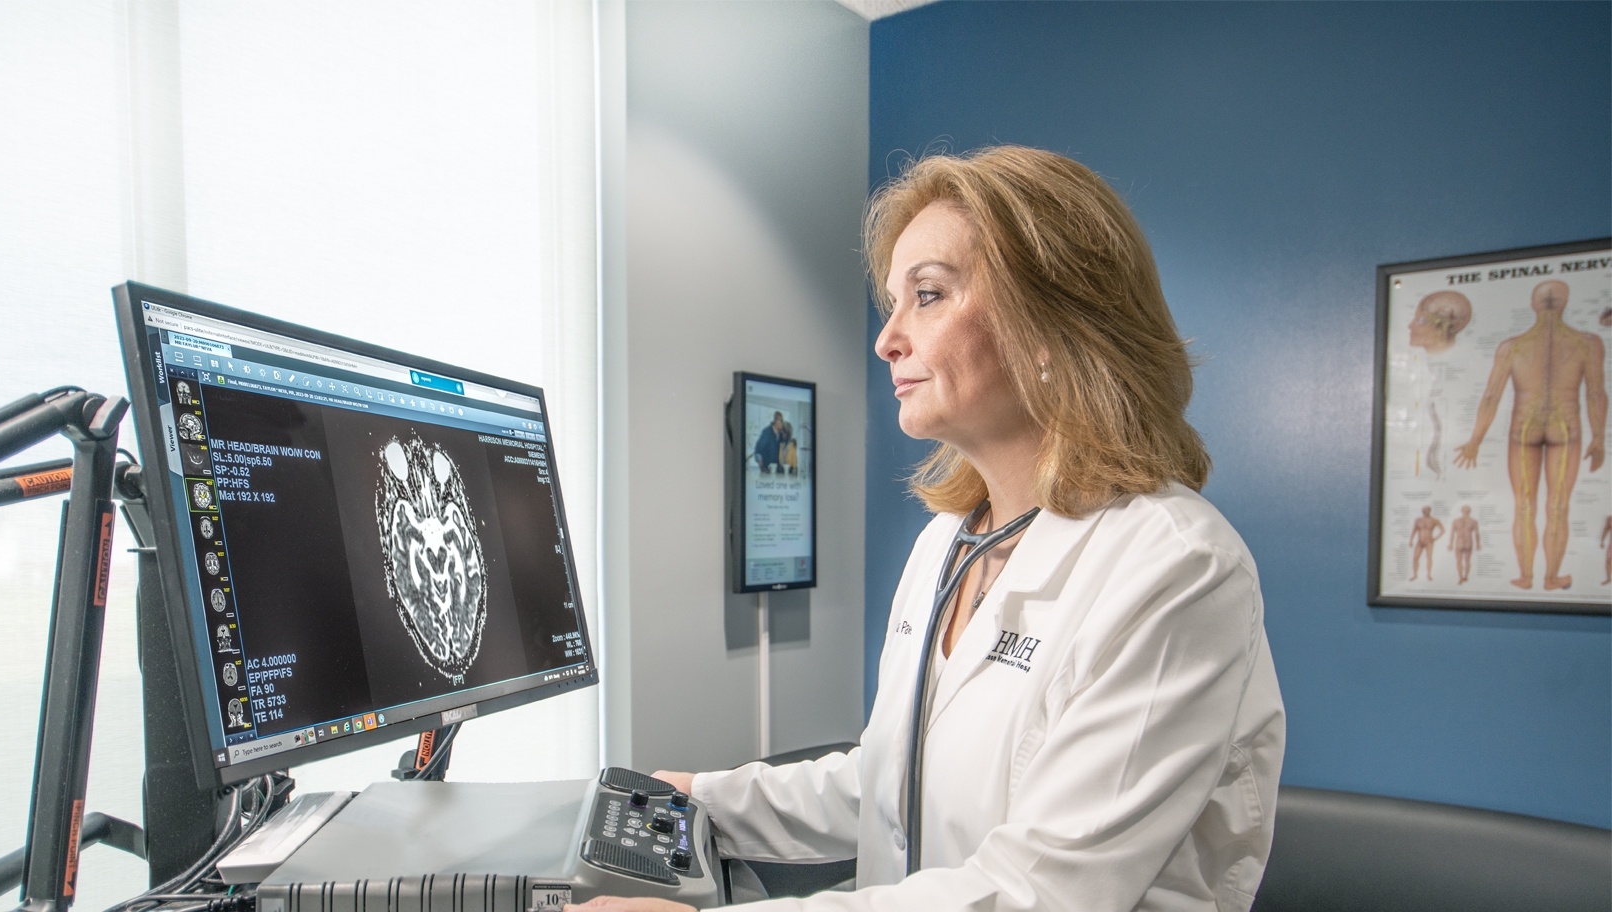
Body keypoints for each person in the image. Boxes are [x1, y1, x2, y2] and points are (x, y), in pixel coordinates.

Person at [568, 146, 1284, 912]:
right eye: (892, 303)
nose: (887, 340)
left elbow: (1036, 893)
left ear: (1052, 322)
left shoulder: (1176, 571)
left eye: (930, 295)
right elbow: (889, 781)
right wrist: (702, 799)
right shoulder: (948, 539)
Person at [1453, 280, 1607, 590]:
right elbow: (1595, 394)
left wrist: (1475, 440)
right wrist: (1599, 437)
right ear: (1564, 303)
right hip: (1566, 426)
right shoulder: (1586, 343)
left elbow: (1491, 396)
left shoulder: (1513, 346)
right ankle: (1551, 577)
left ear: (1533, 305)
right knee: (1559, 504)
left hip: (1524, 426)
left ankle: (1526, 576)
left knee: (1524, 504)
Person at [1408, 505, 1444, 582]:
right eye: (1424, 510)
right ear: (1422, 511)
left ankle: (1429, 574)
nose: (1425, 512)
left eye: (1427, 510)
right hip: (1420, 541)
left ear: (1430, 511)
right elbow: (1414, 530)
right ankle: (1415, 575)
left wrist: (1435, 538)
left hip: (1429, 541)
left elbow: (1442, 530)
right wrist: (1411, 540)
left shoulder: (1434, 520)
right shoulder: (1418, 520)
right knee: (1415, 558)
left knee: (1429, 557)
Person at [1449, 505, 1481, 584]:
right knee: (1466, 561)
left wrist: (1451, 544)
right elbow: (1476, 534)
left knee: (1460, 561)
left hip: (1460, 542)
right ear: (1469, 511)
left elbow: (1452, 534)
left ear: (1462, 511)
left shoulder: (1456, 521)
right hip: (1468, 542)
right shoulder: (1473, 521)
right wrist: (1478, 544)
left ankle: (1461, 577)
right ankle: (1465, 576)